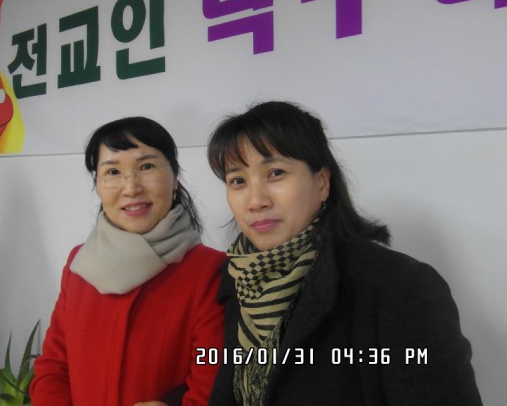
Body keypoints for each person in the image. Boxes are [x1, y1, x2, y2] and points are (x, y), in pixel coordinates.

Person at [206, 101, 482, 406]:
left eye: (275, 173)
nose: (255, 200)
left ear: (322, 183)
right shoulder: (239, 280)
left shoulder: (400, 286)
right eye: (238, 181)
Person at [30, 117, 225, 406]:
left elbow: (213, 379)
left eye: (146, 167)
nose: (131, 187)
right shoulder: (78, 265)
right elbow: (54, 365)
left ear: (174, 178)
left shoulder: (211, 271)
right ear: (97, 184)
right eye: (113, 171)